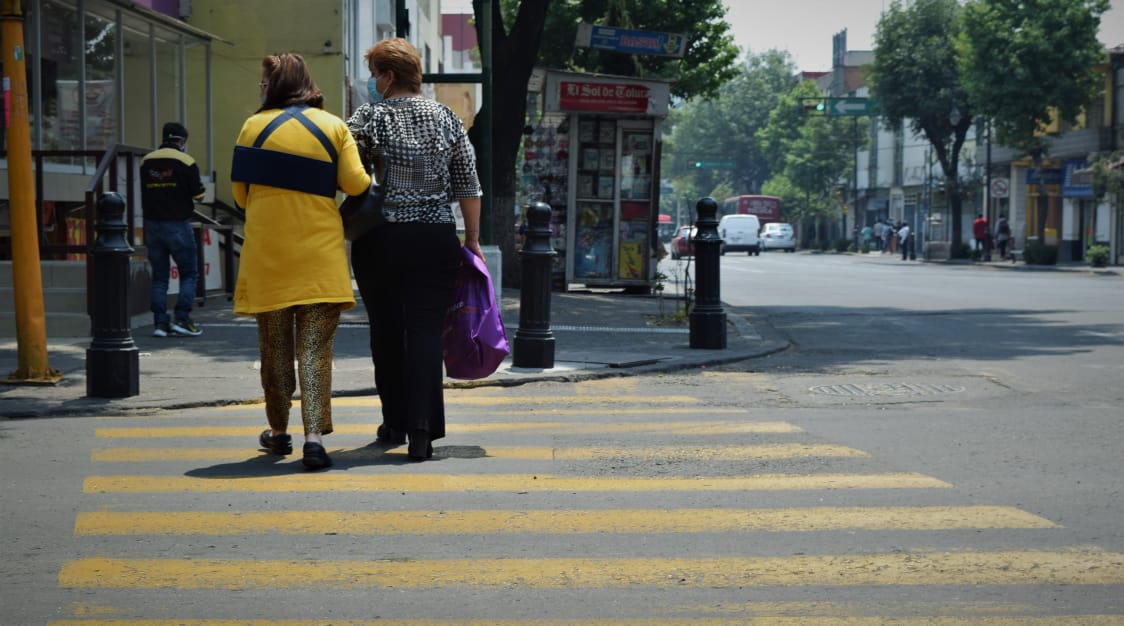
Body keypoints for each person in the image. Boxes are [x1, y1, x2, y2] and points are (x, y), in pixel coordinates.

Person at [231, 53, 371, 470]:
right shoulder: (333, 127)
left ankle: (278, 433)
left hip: (268, 258)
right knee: (314, 350)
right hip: (319, 258)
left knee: (274, 349)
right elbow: (356, 184)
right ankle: (314, 440)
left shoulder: (252, 128)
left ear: (271, 87)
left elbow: (241, 197)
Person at [347, 38, 483, 461]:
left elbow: (345, 169)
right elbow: (468, 182)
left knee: (386, 332)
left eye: (374, 74)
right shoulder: (446, 117)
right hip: (433, 239)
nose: (373, 82)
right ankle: (422, 433)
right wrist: (472, 239)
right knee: (425, 333)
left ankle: (394, 422)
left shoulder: (369, 116)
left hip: (379, 239)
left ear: (388, 77)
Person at [141, 122, 207, 337]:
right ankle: (182, 319)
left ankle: (160, 324)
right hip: (177, 223)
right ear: (182, 141)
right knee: (189, 273)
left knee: (160, 277)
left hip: (151, 224)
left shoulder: (146, 161)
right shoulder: (186, 161)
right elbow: (199, 195)